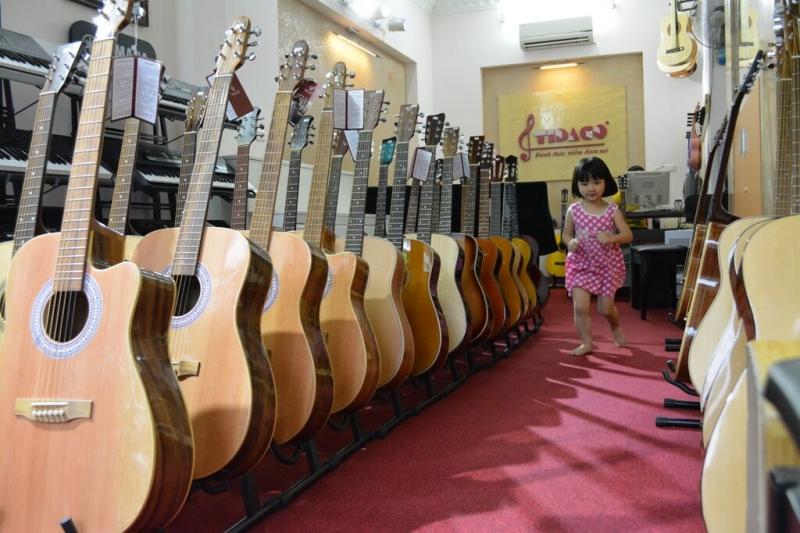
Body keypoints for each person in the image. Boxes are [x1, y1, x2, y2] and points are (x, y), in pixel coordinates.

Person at [562, 157, 633, 356]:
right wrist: (570, 242)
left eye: (596, 182)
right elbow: (566, 234)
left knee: (605, 309)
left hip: (608, 266)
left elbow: (628, 235)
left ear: (605, 182)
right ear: (577, 185)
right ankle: (586, 343)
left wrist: (612, 238)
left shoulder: (612, 210)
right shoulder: (574, 210)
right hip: (581, 264)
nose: (591, 188)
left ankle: (615, 327)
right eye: (584, 183)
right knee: (580, 307)